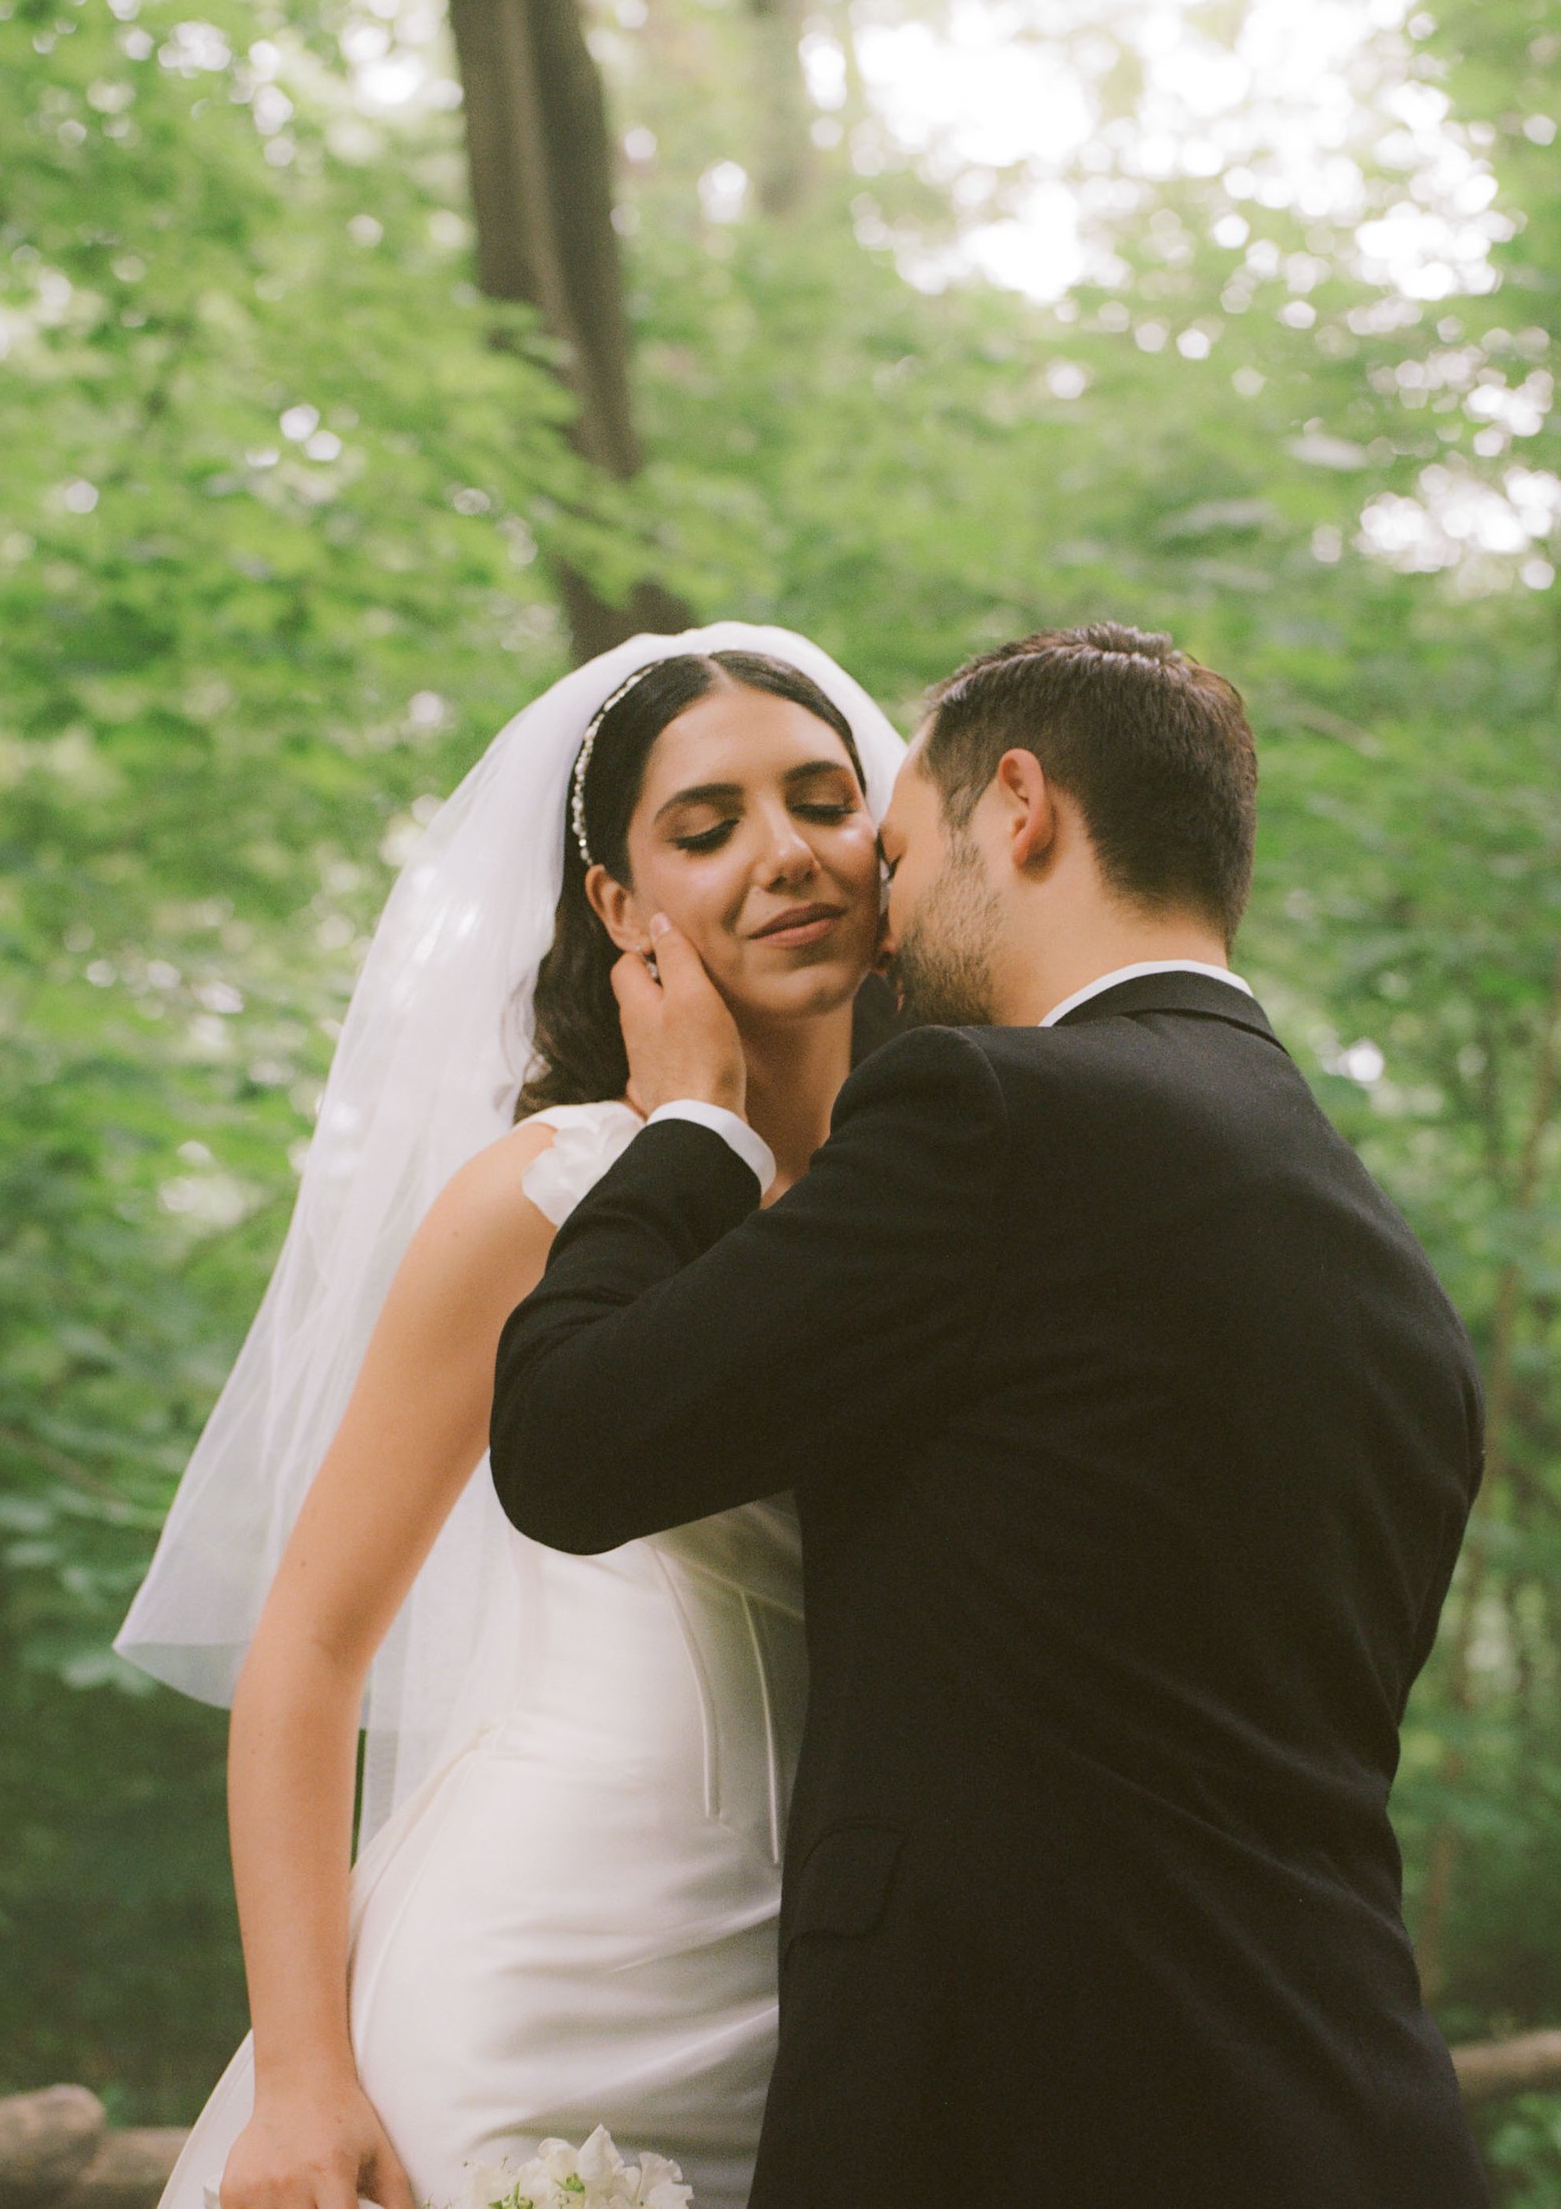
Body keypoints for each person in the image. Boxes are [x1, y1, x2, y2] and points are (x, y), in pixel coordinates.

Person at [493, 622, 1491, 2206]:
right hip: (1347, 2116)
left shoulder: (995, 1114)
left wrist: (686, 1125)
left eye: (889, 849)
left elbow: (566, 1443)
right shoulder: (1388, 1272)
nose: (876, 919)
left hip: (1022, 2123)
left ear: (1016, 808)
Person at [117, 627, 905, 2209]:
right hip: (539, 1989)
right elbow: (311, 1651)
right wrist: (303, 2074)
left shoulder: (943, 1194)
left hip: (841, 2013)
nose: (787, 855)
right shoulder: (544, 1199)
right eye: (707, 826)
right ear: (619, 909)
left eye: (826, 802)